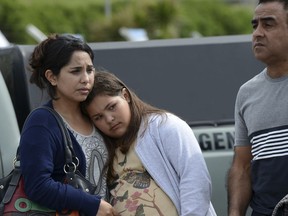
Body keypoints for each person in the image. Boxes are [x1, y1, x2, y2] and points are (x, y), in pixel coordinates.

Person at [81, 70, 217, 216]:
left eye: (112, 107)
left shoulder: (164, 126)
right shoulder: (100, 149)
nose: (109, 119)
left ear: (125, 95)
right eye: (98, 117)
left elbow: (195, 179)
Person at [19, 34, 117, 216]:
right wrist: (92, 204)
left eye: (90, 70)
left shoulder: (95, 115)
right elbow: (37, 185)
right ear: (52, 77)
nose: (86, 78)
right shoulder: (42, 122)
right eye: (76, 71)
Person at [227, 0, 288, 215]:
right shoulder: (246, 93)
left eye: (268, 24)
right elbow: (242, 167)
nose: (257, 33)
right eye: (255, 25)